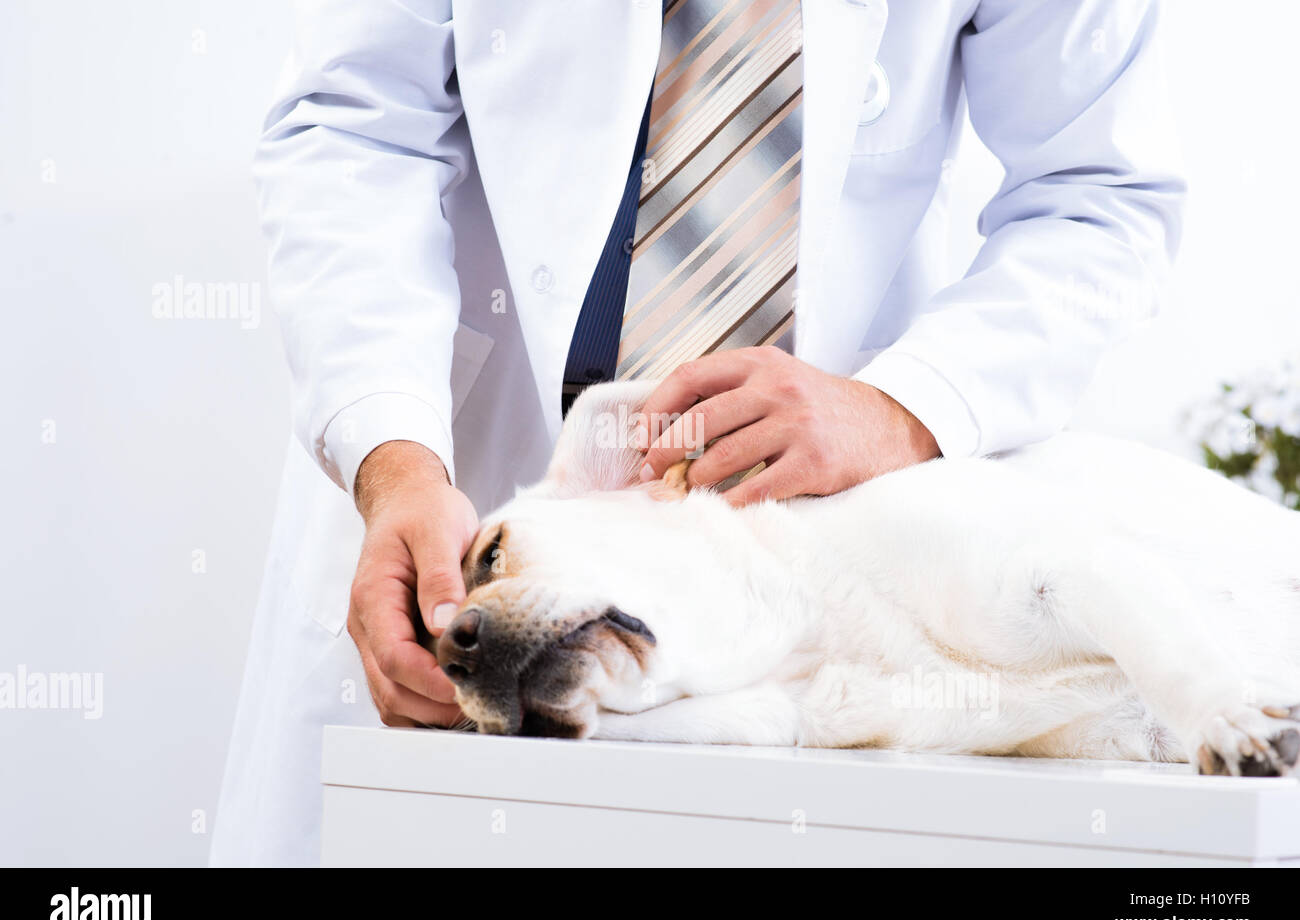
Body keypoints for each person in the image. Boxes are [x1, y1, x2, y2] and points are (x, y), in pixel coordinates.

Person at [211, 0, 1184, 866]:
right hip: (467, 485)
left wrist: (905, 406)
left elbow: (1095, 196)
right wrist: (394, 460)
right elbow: (351, 125)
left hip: (819, 542)